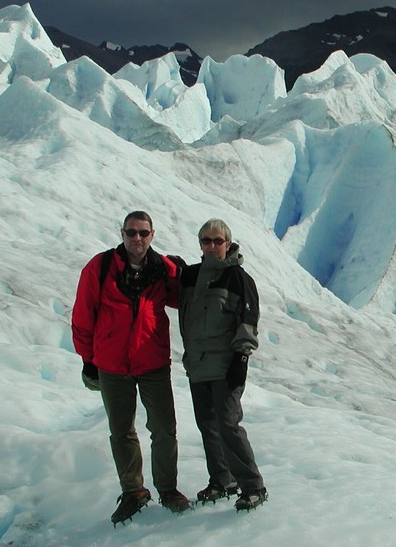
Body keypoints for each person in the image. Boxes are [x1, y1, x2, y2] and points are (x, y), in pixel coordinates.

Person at [71, 210, 192, 525]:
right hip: (112, 365)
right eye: (131, 232)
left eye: (143, 233)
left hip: (152, 363)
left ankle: (168, 489)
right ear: (122, 234)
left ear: (152, 235)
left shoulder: (163, 269)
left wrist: (200, 270)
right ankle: (133, 492)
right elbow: (83, 315)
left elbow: (185, 298)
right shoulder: (100, 268)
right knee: (121, 431)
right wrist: (89, 360)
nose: (136, 238)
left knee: (164, 429)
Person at [178, 218, 267, 511]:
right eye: (206, 240)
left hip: (226, 366)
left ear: (228, 243)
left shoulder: (239, 279)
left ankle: (253, 486)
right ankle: (222, 480)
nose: (212, 246)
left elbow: (248, 320)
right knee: (207, 425)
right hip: (198, 365)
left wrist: (242, 357)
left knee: (228, 424)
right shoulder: (192, 277)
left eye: (218, 241)